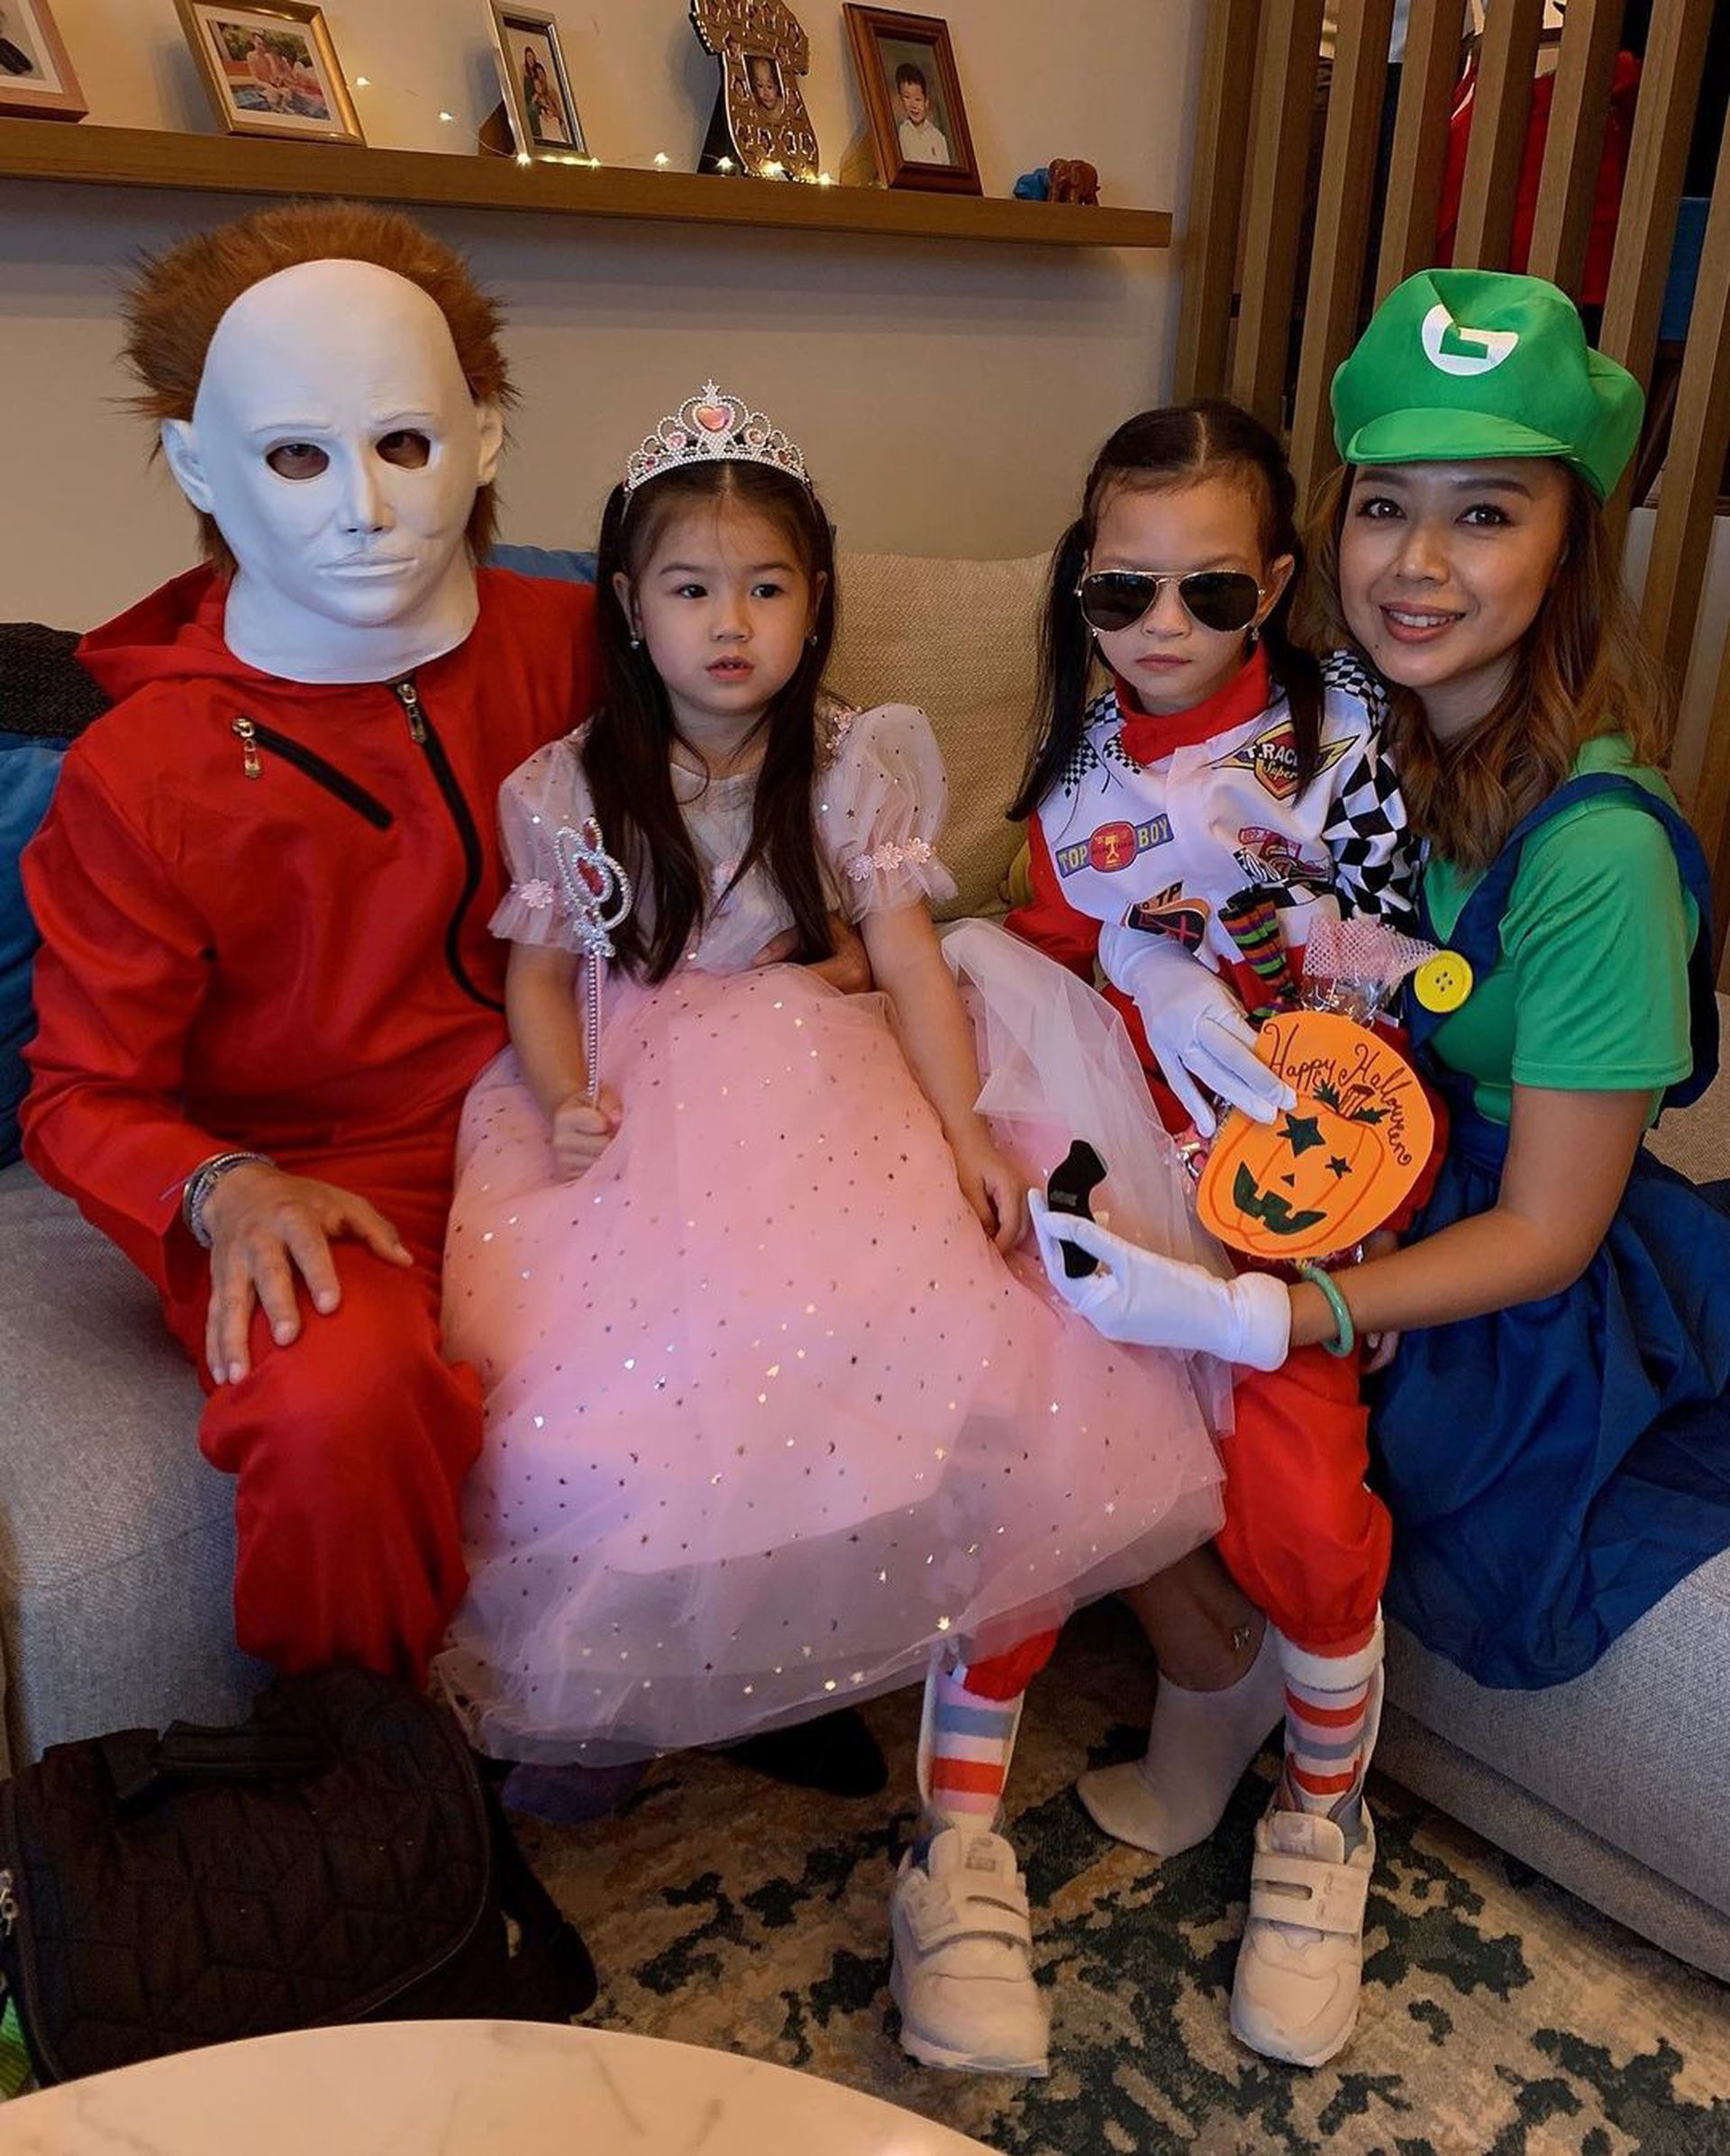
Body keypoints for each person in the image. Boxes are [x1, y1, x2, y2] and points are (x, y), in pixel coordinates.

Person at [432, 381, 1228, 2079]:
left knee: (924, 1331)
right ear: (630, 606)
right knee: (609, 1396)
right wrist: (564, 1090)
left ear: (817, 600)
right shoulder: (571, 783)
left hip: (821, 1069)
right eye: (691, 587)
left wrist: (962, 1128)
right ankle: (637, 1693)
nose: (731, 622)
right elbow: (540, 972)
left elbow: (916, 968)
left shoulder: (859, 761)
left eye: (769, 585)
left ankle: (849, 1691)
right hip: (643, 1093)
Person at [1034, 271, 1730, 2067]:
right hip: (1319, 1156)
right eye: (1385, 507)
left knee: (1282, 1432)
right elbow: (1155, 873)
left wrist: (1294, 1307)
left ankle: (1320, 1820)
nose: (1417, 562)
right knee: (1042, 1305)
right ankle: (1212, 1679)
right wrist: (1144, 962)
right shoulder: (1346, 732)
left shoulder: (1598, 858)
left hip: (1491, 1277)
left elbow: (1551, 1228)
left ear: (1570, 549)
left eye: (1485, 513)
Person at [21, 202, 603, 1686]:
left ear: (482, 438)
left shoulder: (581, 645)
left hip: (580, 1105)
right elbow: (82, 1094)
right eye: (297, 456)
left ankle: (707, 1670)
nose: (364, 508)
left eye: (403, 443)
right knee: (337, 1402)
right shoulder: (143, 772)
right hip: (324, 1177)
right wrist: (221, 1186)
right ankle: (365, 1757)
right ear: (198, 466)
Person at [1004, 396, 1416, 2068]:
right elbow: (1037, 947)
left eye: (1212, 591)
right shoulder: (1073, 764)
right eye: (1124, 591)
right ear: (1081, 586)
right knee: (1033, 1410)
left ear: (1280, 584)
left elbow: (1428, 942)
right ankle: (1187, 1703)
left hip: (1312, 1162)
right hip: (1129, 1139)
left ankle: (1323, 1822)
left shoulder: (1358, 728)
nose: (1163, 626)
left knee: (1304, 1503)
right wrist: (1138, 959)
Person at [895, 62, 951, 165]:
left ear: (926, 102)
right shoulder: (900, 134)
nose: (913, 105)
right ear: (901, 100)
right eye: (907, 97)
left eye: (917, 99)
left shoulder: (938, 138)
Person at [746, 52, 784, 116]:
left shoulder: (783, 106)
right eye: (760, 86)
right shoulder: (757, 109)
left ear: (778, 87)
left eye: (769, 87)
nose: (765, 93)